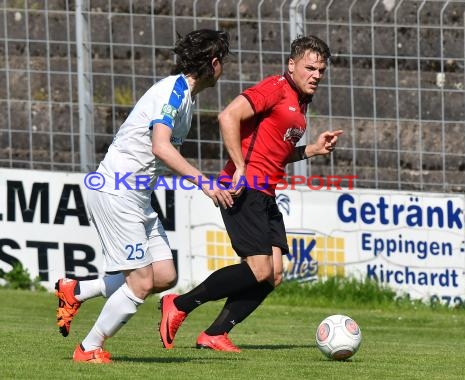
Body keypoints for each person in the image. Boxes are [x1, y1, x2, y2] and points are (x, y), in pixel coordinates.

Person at [55, 29, 233, 363]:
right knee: (140, 282)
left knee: (164, 275)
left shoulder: (185, 96)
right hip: (116, 192)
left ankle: (75, 291)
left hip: (136, 198)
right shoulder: (174, 93)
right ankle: (89, 348)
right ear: (212, 64)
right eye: (221, 61)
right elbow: (160, 146)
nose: (223, 68)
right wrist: (204, 182)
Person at [159, 35, 343, 352]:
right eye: (310, 68)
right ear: (292, 65)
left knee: (272, 275)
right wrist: (240, 167)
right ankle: (180, 304)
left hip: (266, 192)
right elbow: (227, 116)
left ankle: (215, 334)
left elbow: (273, 153)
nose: (316, 75)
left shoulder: (299, 104)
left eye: (320, 70)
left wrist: (311, 150)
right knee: (259, 268)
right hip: (245, 188)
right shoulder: (275, 87)